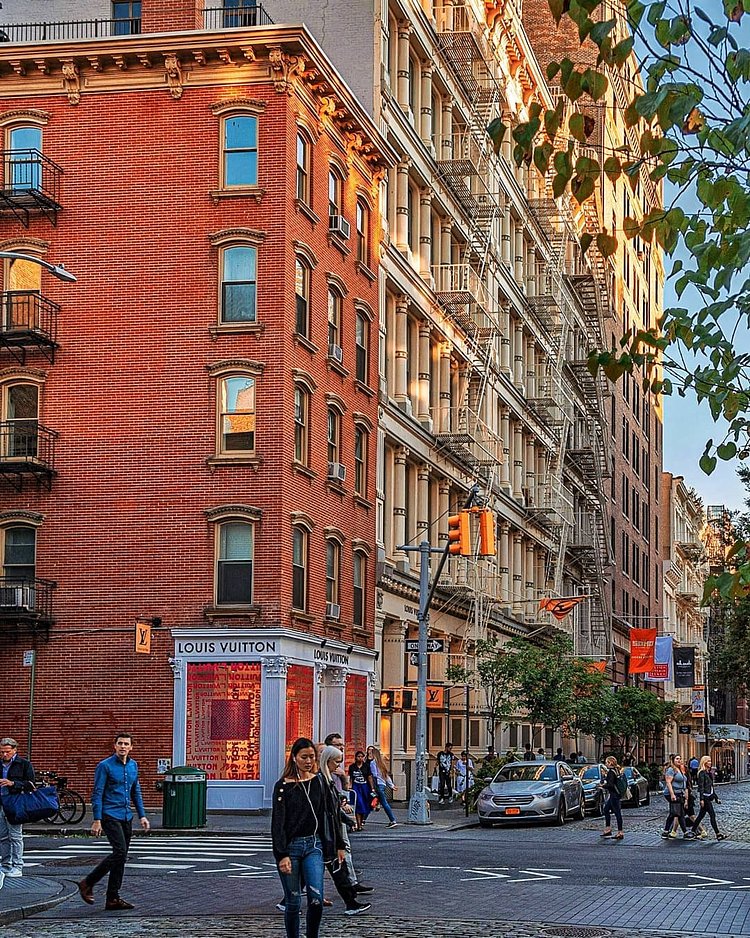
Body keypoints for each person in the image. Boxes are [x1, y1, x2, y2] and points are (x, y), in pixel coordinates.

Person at [272, 737, 346, 938]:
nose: (308, 761)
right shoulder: (282, 787)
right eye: (304, 757)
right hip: (291, 847)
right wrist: (282, 855)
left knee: (316, 899)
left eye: (312, 757)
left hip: (314, 845)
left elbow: (330, 814)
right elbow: (278, 824)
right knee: (293, 901)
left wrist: (339, 845)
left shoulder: (319, 781)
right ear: (294, 758)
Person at [77, 732, 150, 910]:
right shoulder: (105, 766)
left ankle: (113, 898)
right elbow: (97, 793)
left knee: (122, 857)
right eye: (120, 743)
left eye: (126, 744)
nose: (123, 747)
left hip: (126, 816)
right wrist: (97, 819)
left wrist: (142, 815)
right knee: (119, 851)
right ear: (115, 746)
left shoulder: (133, 766)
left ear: (131, 747)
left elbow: (136, 792)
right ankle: (88, 882)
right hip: (110, 814)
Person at [318, 746, 371, 915]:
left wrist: (347, 820)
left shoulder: (327, 781)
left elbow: (333, 808)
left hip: (328, 833)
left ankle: (351, 902)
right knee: (334, 869)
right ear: (327, 761)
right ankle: (350, 902)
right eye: (336, 762)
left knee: (335, 870)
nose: (338, 766)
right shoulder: (321, 781)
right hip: (324, 834)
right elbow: (327, 811)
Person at [0, 737, 35, 879]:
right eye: (1, 752)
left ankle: (17, 865)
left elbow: (31, 784)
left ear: (14, 750)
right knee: (2, 837)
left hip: (15, 802)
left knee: (15, 836)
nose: (4, 755)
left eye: (7, 752)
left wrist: (12, 783)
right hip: (1, 803)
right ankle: (5, 864)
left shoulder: (24, 764)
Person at [691, 756, 726, 841]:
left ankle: (692, 831)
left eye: (710, 761)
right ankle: (718, 834)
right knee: (712, 815)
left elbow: (711, 787)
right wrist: (701, 799)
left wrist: (716, 798)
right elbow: (701, 787)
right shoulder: (702, 773)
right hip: (705, 798)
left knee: (700, 816)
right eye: (709, 761)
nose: (710, 763)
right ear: (705, 762)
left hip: (709, 797)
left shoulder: (708, 773)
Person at [366, 746, 398, 827]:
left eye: (370, 753)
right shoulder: (381, 764)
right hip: (383, 784)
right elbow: (386, 775)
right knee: (378, 802)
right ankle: (364, 819)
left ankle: (393, 820)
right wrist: (391, 785)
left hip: (377, 785)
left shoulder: (373, 763)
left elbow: (374, 775)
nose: (369, 755)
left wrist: (373, 787)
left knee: (383, 802)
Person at [661, 754, 691, 839]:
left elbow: (684, 784)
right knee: (678, 813)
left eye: (680, 759)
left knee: (676, 813)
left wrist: (686, 797)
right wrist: (672, 794)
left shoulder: (680, 770)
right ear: (673, 760)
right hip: (672, 793)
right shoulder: (671, 770)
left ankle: (666, 831)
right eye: (677, 759)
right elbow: (668, 782)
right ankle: (685, 832)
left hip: (680, 793)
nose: (679, 760)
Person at [599, 755, 624, 840]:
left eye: (606, 762)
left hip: (614, 795)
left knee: (617, 813)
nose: (605, 764)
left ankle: (620, 832)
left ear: (610, 763)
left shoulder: (611, 772)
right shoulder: (616, 770)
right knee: (606, 810)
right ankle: (608, 829)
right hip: (615, 794)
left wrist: (603, 786)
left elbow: (610, 784)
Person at [348, 751, 372, 831]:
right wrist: (350, 786)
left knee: (365, 805)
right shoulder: (352, 767)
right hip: (356, 787)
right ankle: (358, 825)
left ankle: (361, 822)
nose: (360, 758)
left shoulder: (366, 766)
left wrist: (372, 788)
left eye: (362, 756)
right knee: (358, 804)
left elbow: (369, 777)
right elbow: (351, 778)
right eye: (358, 756)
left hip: (364, 787)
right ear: (355, 757)